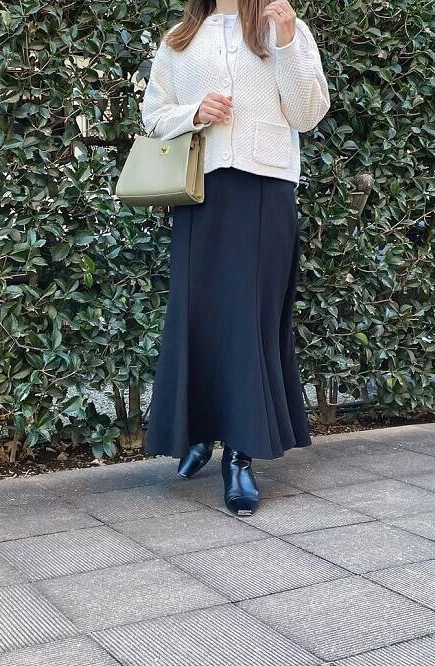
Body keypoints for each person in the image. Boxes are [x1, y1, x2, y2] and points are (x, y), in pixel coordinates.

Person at [140, 0, 331, 516]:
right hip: (200, 193)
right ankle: (200, 432)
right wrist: (193, 113)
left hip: (265, 190)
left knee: (250, 321)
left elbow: (308, 113)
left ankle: (240, 455)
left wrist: (287, 41)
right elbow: (153, 115)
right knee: (197, 317)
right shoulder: (180, 37)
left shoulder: (282, 28)